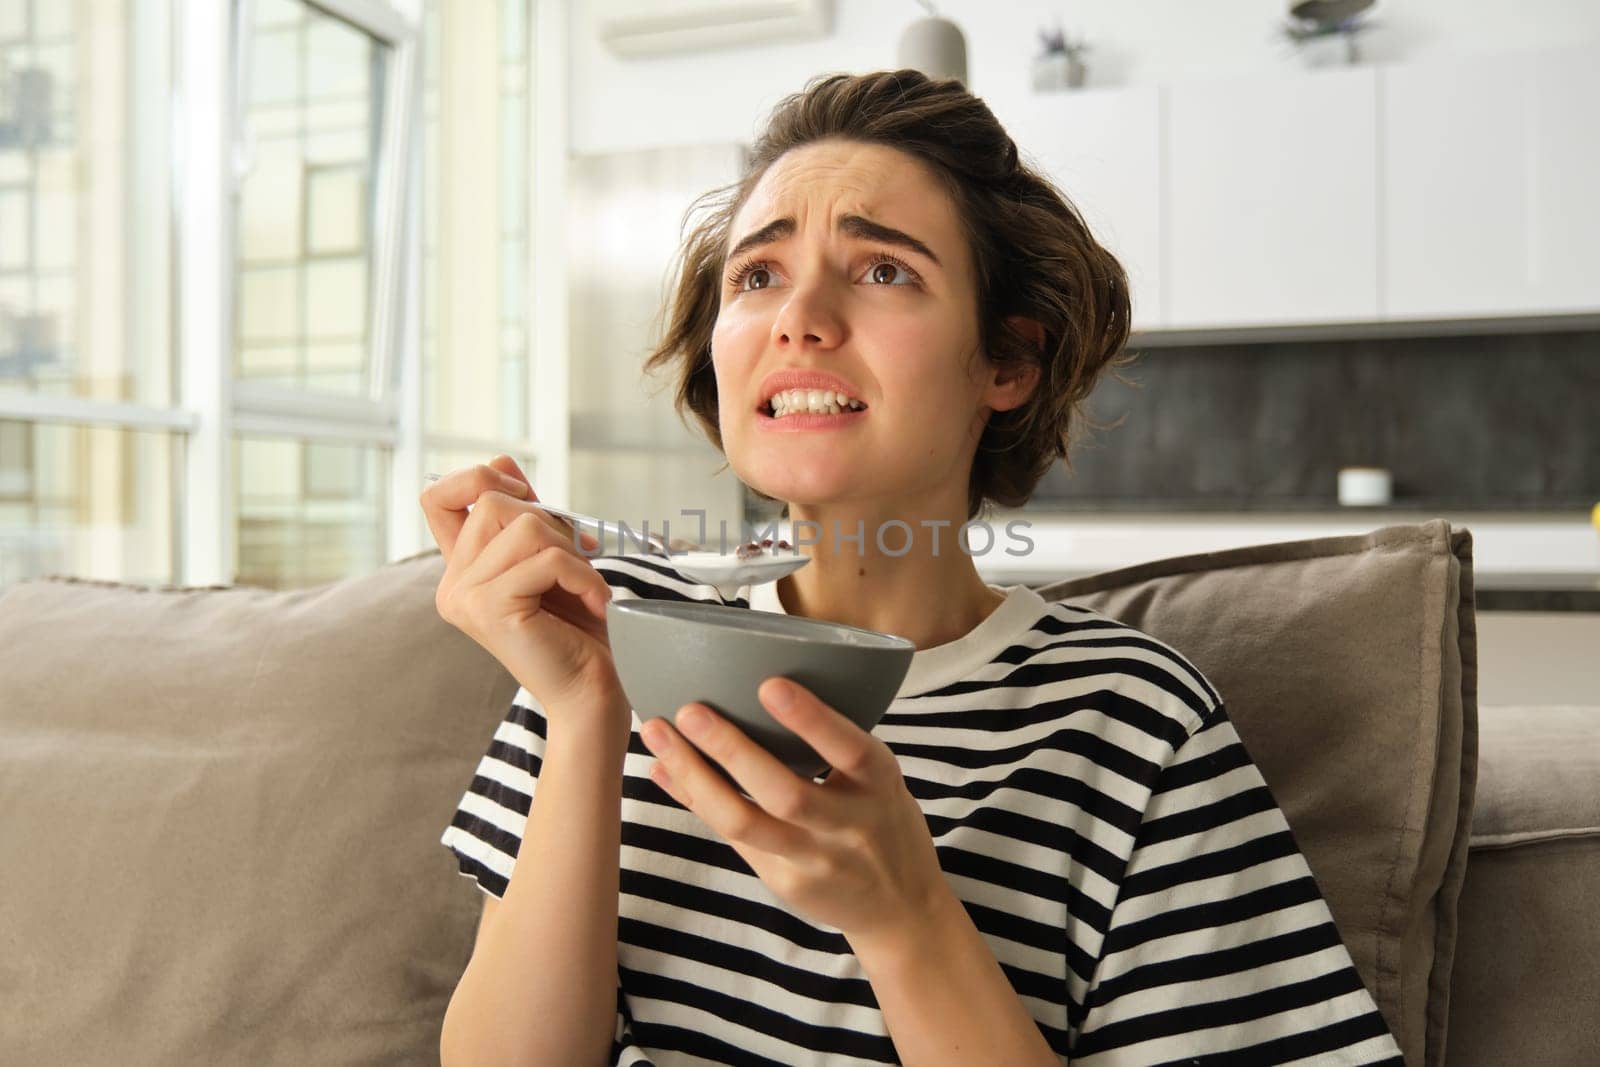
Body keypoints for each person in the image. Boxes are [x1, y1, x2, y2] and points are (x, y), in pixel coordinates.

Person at [424, 69, 1402, 1066]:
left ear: (1005, 362)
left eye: (882, 269)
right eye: (756, 275)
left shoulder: (1129, 720)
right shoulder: (610, 636)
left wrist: (905, 917)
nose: (796, 317)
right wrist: (586, 712)